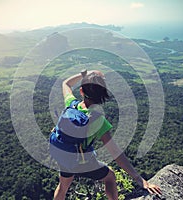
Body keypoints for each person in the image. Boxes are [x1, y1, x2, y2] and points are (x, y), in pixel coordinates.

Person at [53, 70, 161, 200]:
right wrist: (139, 179)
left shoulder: (72, 105)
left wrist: (83, 75)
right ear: (102, 95)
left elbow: (66, 84)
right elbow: (116, 153)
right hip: (81, 161)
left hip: (63, 155)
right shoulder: (98, 121)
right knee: (110, 176)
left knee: (63, 187)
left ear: (81, 91)